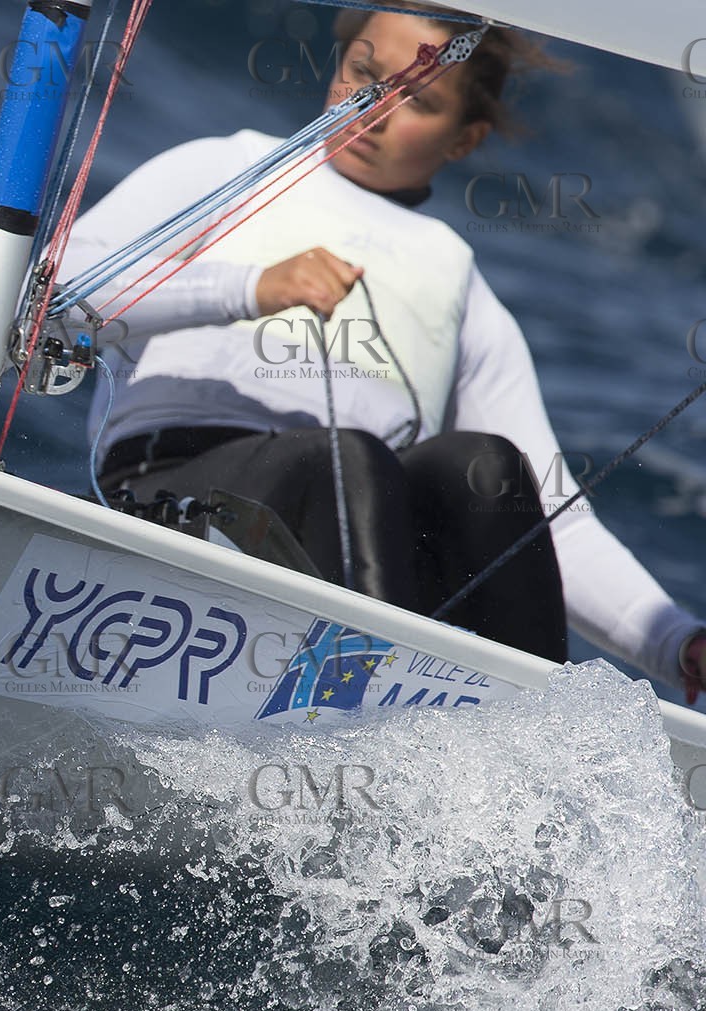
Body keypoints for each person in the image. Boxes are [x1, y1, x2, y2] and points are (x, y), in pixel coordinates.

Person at [59, 2, 706, 700]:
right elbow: (59, 299)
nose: (373, 108)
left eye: (418, 100)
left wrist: (677, 643)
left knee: (483, 465)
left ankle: (529, 752)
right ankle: (353, 729)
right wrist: (250, 288)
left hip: (361, 537)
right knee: (350, 459)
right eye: (362, 73)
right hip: (173, 489)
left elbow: (555, 521)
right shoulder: (225, 165)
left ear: (465, 139)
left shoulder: (457, 276)